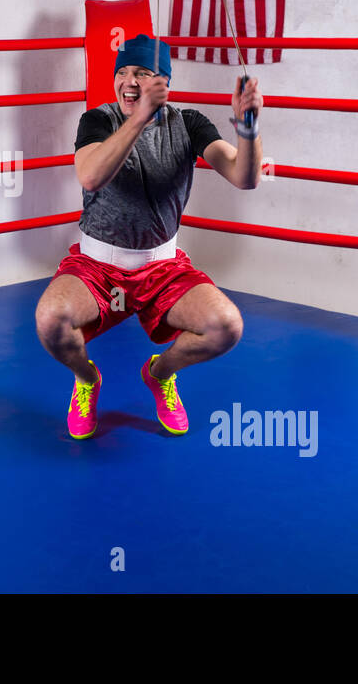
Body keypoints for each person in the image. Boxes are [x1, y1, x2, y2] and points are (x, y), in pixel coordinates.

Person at [34, 33, 263, 439]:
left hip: (162, 268)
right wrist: (138, 118)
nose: (129, 82)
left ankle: (160, 374)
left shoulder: (189, 124)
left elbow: (244, 178)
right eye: (122, 72)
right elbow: (90, 175)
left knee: (226, 326)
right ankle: (87, 379)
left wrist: (248, 130)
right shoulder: (98, 120)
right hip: (98, 266)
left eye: (141, 73)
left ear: (164, 83)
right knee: (51, 321)